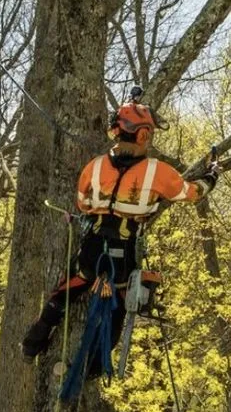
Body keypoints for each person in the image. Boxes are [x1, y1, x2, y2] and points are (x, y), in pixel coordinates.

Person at [21, 89, 220, 360]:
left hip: (92, 248)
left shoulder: (94, 166)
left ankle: (33, 343)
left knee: (65, 290)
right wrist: (211, 176)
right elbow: (192, 193)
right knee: (118, 311)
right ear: (142, 135)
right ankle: (92, 366)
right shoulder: (158, 171)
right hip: (124, 255)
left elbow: (82, 204)